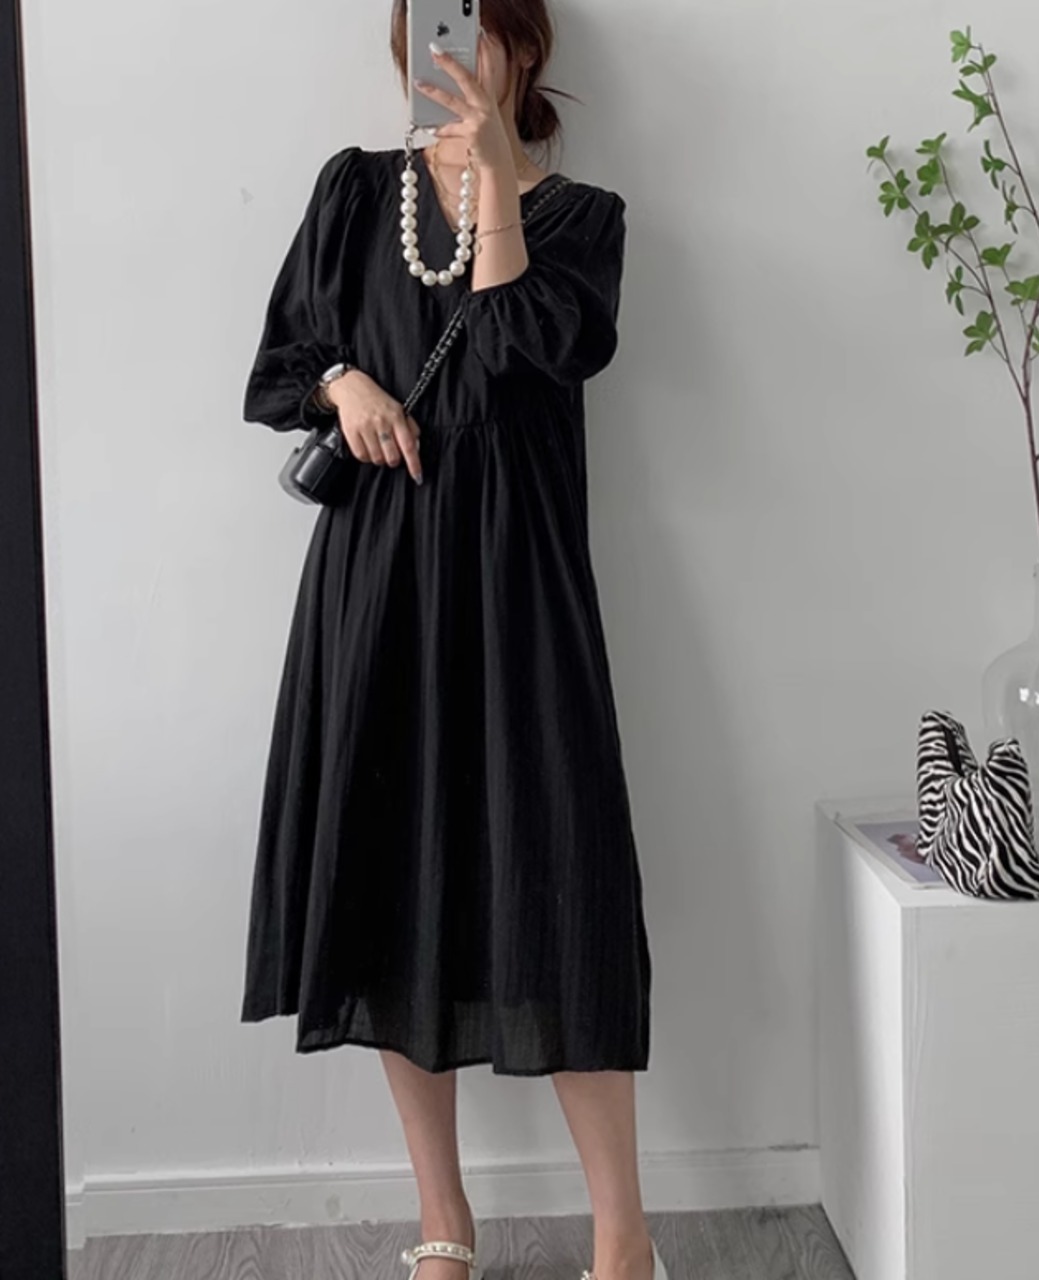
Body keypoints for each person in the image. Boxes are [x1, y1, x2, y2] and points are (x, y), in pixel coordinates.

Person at [236, 4, 661, 1278]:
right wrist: (345, 383)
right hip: (378, 576)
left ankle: (622, 1234)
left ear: (520, 48)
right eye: (428, 24)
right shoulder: (355, 193)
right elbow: (281, 359)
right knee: (388, 879)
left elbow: (527, 352)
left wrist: (491, 177)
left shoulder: (582, 218)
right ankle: (442, 1216)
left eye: (472, 27)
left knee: (560, 880)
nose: (447, 53)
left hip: (521, 580)